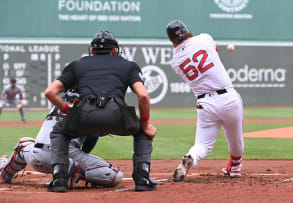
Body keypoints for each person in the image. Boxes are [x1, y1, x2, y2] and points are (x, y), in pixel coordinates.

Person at [44, 31, 157, 192]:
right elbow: (143, 96)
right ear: (113, 51)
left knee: (59, 132)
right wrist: (145, 124)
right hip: (116, 113)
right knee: (143, 132)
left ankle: (59, 179)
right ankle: (142, 179)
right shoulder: (128, 65)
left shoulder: (77, 65)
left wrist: (66, 110)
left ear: (92, 51)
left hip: (84, 113)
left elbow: (50, 92)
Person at [166, 20, 245, 182]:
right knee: (234, 137)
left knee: (202, 144)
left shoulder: (175, 62)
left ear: (171, 40)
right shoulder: (204, 38)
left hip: (205, 103)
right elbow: (213, 51)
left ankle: (191, 157)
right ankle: (235, 168)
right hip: (228, 97)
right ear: (187, 30)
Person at [0, 89, 123, 188]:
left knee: (24, 142)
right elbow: (93, 136)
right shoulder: (89, 106)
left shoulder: (58, 103)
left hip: (36, 156)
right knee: (114, 175)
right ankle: (76, 171)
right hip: (66, 160)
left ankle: (5, 173)